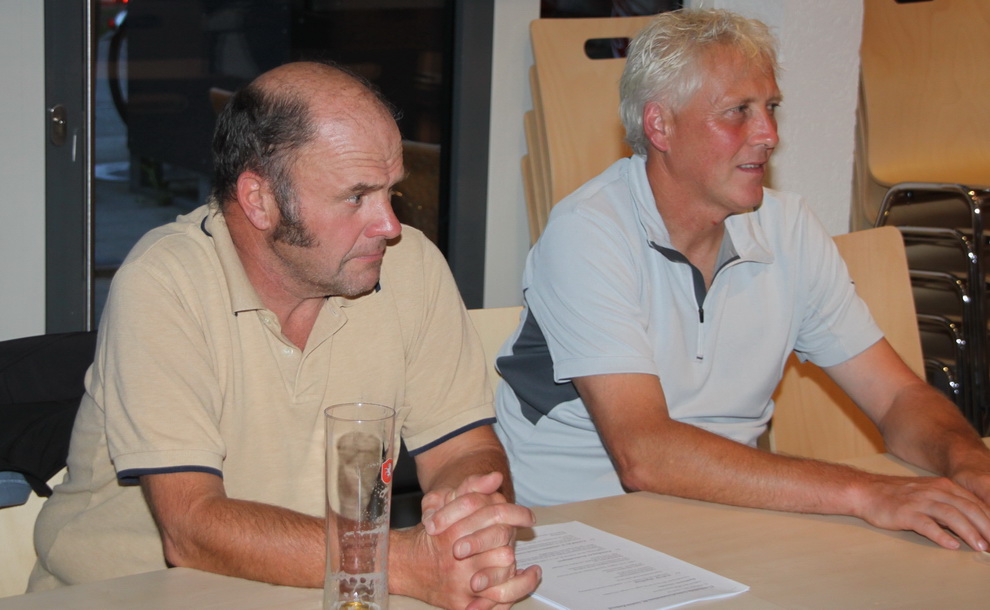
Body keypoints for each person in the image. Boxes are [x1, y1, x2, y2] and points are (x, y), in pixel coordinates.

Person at [29, 61, 541, 609]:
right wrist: (403, 561)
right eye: (356, 196)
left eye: (391, 192)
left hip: (324, 591)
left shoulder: (410, 265)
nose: (389, 225)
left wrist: (473, 525)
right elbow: (192, 527)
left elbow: (464, 448)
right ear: (259, 200)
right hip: (129, 596)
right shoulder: (164, 282)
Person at [495, 8, 990, 553]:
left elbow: (896, 396)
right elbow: (645, 453)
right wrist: (866, 492)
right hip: (575, 536)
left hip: (727, 525)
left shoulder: (789, 229)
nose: (769, 134)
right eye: (739, 111)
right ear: (660, 125)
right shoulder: (588, 232)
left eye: (771, 107)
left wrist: (969, 462)